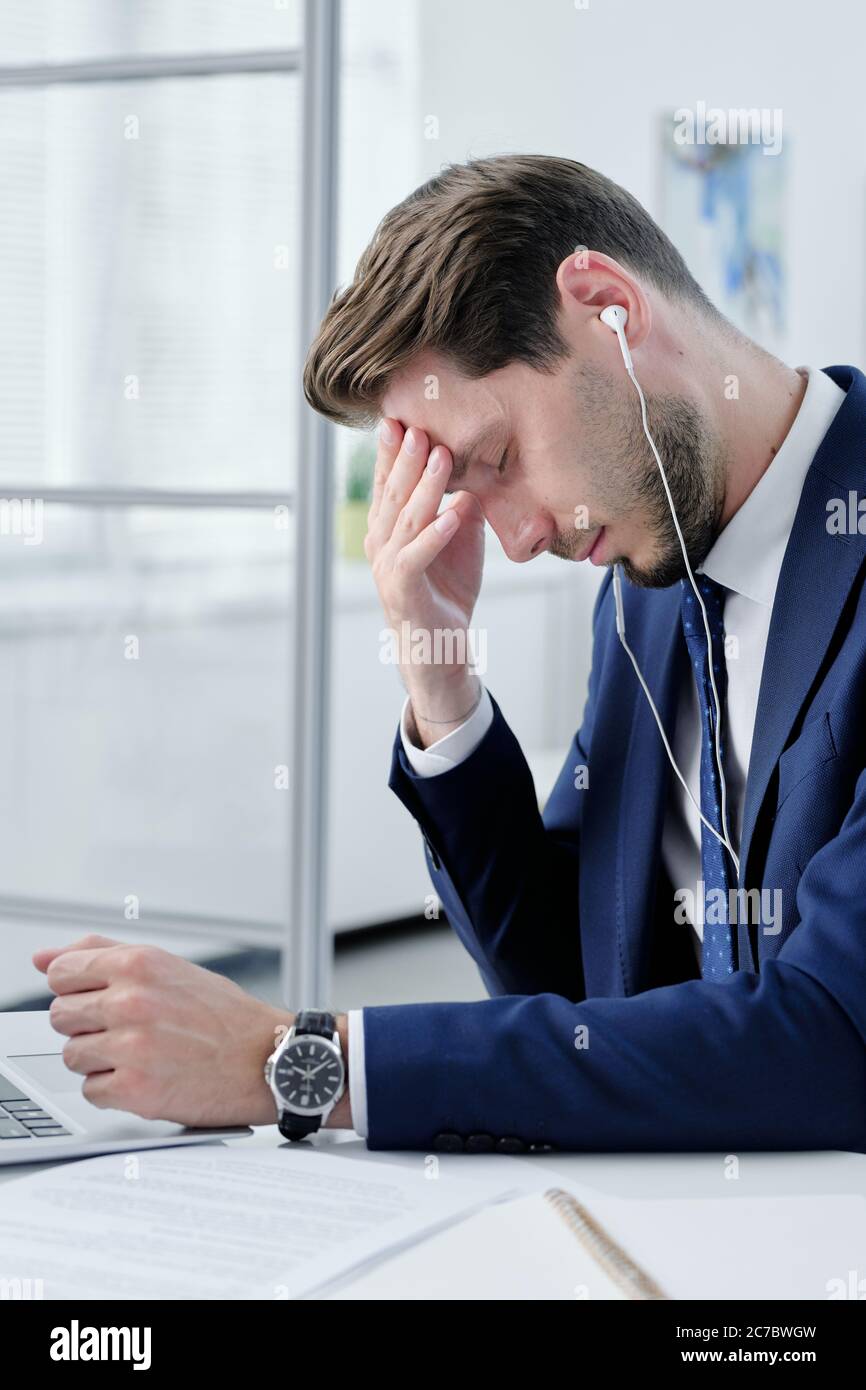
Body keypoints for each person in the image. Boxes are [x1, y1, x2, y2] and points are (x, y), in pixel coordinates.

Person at [37, 155, 866, 1153]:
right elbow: (568, 985)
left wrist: (295, 1058)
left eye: (497, 461)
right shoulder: (645, 593)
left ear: (605, 307)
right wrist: (438, 671)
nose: (515, 542)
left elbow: (833, 1034)